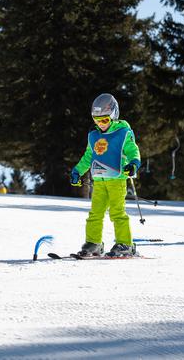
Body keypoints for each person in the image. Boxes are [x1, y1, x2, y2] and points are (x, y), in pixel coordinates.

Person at [70, 93, 141, 257]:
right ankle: (94, 243)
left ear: (113, 115)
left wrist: (133, 164)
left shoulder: (123, 132)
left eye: (104, 120)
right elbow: (88, 157)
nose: (100, 124)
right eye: (96, 120)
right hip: (99, 181)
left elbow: (133, 150)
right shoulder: (94, 135)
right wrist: (77, 171)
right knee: (95, 213)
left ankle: (125, 243)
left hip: (117, 180)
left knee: (117, 213)